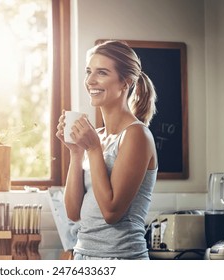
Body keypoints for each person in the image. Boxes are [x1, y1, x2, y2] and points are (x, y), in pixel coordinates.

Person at [56, 40, 158, 260]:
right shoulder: (98, 136)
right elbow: (73, 214)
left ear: (126, 82)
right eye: (88, 72)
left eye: (101, 73)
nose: (90, 81)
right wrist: (76, 152)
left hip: (121, 259)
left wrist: (92, 149)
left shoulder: (136, 135)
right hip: (83, 256)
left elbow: (111, 212)